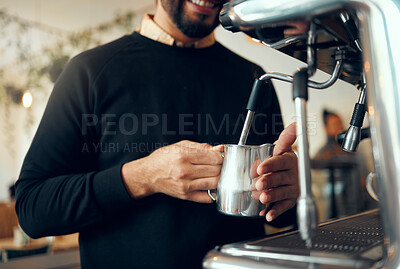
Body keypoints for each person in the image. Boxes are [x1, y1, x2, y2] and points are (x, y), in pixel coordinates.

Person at [15, 0, 300, 268]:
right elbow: (33, 208)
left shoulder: (253, 77)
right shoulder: (89, 72)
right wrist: (143, 177)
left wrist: (290, 188)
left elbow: (277, 216)